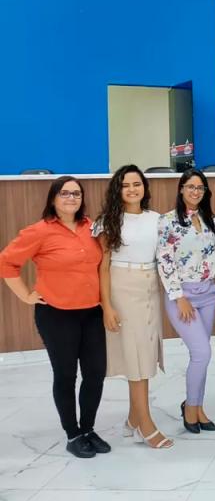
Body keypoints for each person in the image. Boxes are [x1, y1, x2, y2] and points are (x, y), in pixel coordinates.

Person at [0, 176, 109, 458]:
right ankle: (73, 434)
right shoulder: (39, 231)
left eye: (76, 193)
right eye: (64, 193)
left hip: (91, 312)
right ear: (52, 198)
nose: (71, 198)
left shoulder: (92, 227)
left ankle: (88, 429)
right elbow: (6, 262)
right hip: (56, 315)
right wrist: (25, 295)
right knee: (65, 375)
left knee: (95, 374)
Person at [94, 165, 172, 449]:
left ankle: (132, 417)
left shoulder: (157, 219)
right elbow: (102, 268)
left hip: (150, 286)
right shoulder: (109, 221)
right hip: (122, 287)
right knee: (135, 355)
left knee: (146, 350)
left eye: (136, 184)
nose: (132, 189)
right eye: (125, 185)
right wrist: (107, 307)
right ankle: (145, 422)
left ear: (144, 187)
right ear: (118, 190)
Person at [157, 169, 215, 434]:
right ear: (181, 188)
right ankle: (190, 406)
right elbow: (164, 260)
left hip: (208, 295)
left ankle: (197, 406)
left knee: (201, 355)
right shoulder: (167, 221)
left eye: (200, 188)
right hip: (182, 296)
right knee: (202, 352)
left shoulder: (208, 219)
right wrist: (178, 296)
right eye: (190, 187)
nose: (195, 192)